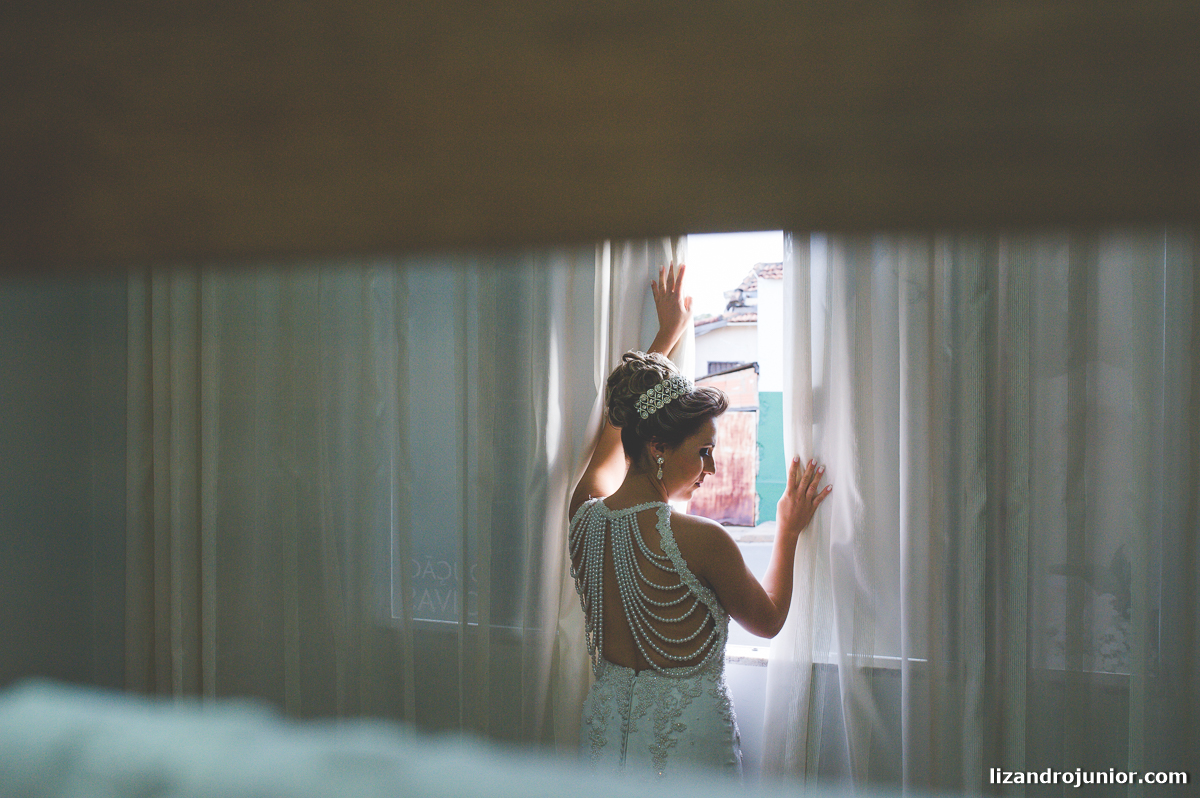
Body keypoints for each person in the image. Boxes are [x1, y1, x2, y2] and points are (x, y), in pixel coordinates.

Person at [568, 264, 832, 779]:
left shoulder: (584, 515)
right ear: (659, 447)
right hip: (689, 746)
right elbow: (770, 621)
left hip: (603, 741)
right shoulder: (699, 540)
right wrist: (789, 531)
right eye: (705, 451)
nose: (712, 468)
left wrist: (665, 339)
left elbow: (616, 431)